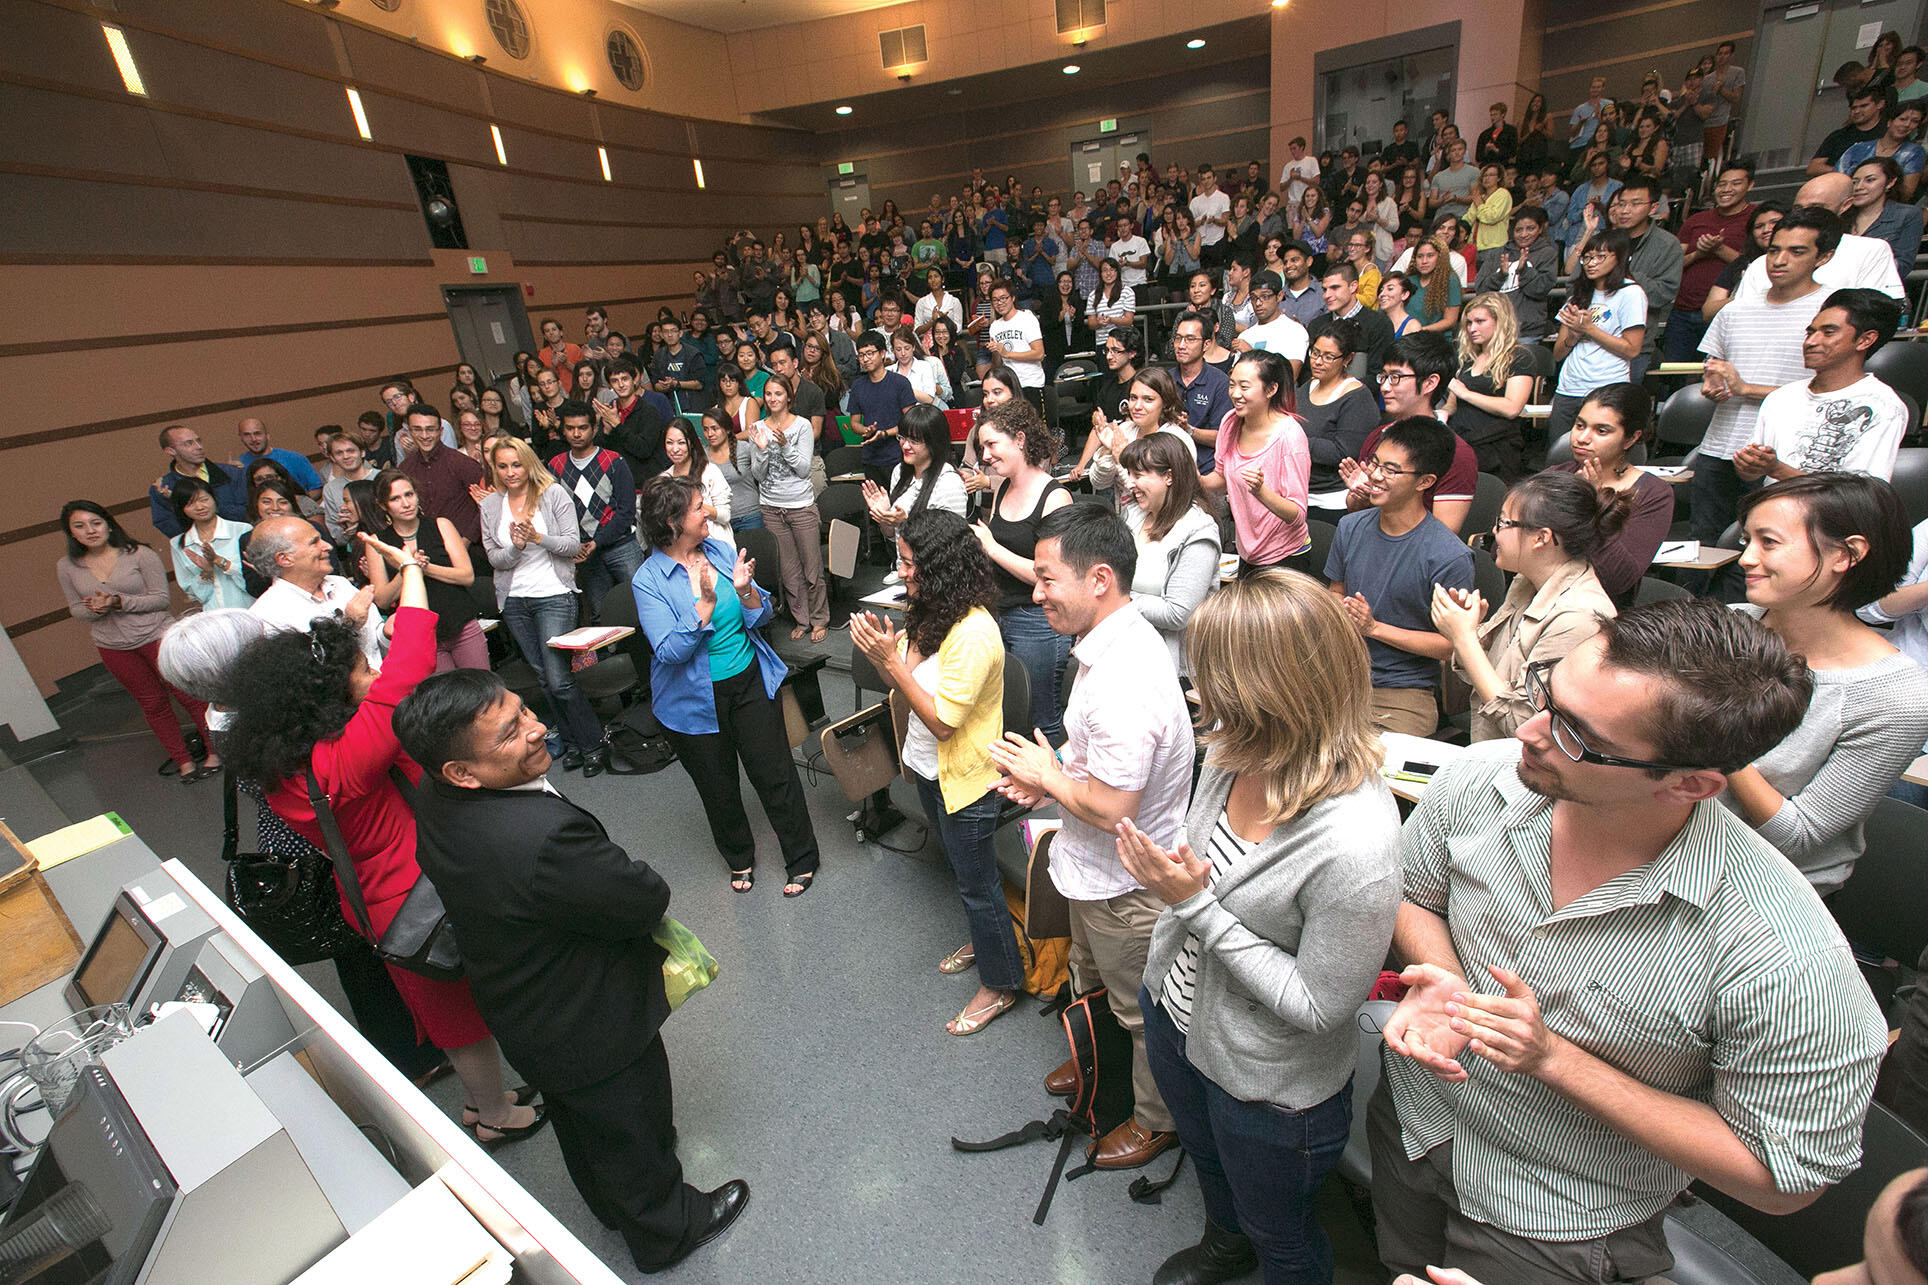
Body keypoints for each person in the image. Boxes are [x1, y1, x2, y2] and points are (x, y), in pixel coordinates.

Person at [1371, 598, 1886, 1285]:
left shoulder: (1784, 957)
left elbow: (1781, 1177)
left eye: (1577, 735)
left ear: (1689, 784)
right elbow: (1416, 894)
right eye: (1546, 693)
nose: (1528, 730)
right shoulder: (1480, 780)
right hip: (1418, 1118)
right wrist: (1447, 980)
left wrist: (1554, 1058)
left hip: (1552, 1211)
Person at [393, 670, 747, 1274]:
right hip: (589, 1015)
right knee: (635, 1125)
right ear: (462, 771)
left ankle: (613, 1207)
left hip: (520, 1004)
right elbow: (642, 898)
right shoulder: (541, 838)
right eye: (510, 733)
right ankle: (667, 1231)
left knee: (584, 1125)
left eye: (525, 711)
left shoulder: (434, 795)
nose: (536, 730)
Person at [225, 545, 547, 1151]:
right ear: (329, 697)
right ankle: (491, 1112)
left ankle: (490, 1100)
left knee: (450, 1008)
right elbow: (409, 658)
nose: (370, 674)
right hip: (420, 896)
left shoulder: (289, 762)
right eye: (358, 672)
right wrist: (413, 569)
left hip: (377, 903)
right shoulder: (346, 757)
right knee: (463, 1017)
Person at [1132, 570, 1401, 1285]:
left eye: (1211, 675)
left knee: (1282, 1233)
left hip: (1271, 1081)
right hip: (1179, 1019)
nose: (1195, 690)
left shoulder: (1356, 842)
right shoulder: (1229, 752)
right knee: (1213, 1170)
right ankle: (1225, 1242)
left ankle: (1253, 1246)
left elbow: (1320, 1006)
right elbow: (1200, 871)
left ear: (1271, 692)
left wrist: (1193, 905)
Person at [987, 505, 1191, 1171]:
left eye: (1048, 578)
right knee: (1092, 983)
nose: (1035, 590)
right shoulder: (1109, 648)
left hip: (1126, 885)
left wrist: (1049, 773)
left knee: (1138, 1012)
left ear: (1100, 578)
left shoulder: (1125, 679)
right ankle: (1098, 1069)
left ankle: (1155, 1120)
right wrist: (1050, 784)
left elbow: (1111, 806)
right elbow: (1094, 767)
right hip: (1093, 871)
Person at [847, 512, 1022, 1035]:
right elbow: (906, 679)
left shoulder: (974, 633)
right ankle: (988, 936)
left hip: (965, 776)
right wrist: (886, 653)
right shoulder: (930, 612)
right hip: (929, 768)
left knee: (977, 882)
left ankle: (1001, 983)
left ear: (941, 567)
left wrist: (892, 664)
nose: (900, 572)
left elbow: (945, 723)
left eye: (907, 563)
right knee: (964, 873)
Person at [1726, 474, 1928, 894]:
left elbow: (1799, 837)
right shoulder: (1728, 625)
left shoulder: (1895, 697)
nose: (1746, 558)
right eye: (1747, 540)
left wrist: (1711, 744)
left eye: (1769, 542)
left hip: (1763, 895)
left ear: (1846, 554)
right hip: (1658, 848)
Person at [633, 475, 821, 897]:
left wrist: (745, 592)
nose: (708, 512)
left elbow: (761, 613)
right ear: (672, 520)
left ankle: (802, 857)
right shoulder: (649, 580)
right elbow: (669, 652)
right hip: (690, 701)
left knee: (775, 773)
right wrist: (705, 605)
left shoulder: (718, 549)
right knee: (717, 787)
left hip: (749, 680)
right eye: (699, 507)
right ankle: (739, 858)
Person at [1693, 205, 1842, 551]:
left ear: (1824, 256)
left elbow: (1829, 391)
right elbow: (1713, 367)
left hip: (1784, 456)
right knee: (1705, 548)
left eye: (1797, 251)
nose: (1779, 260)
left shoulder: (1829, 312)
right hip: (1720, 445)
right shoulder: (1735, 308)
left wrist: (1746, 388)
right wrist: (1713, 384)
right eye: (1774, 250)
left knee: (1770, 550)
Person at [1433, 471, 1621, 742]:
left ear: (1541, 538)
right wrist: (1470, 631)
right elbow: (1484, 677)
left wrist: (1464, 639)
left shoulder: (1578, 617)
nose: (1495, 531)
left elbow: (1523, 726)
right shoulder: (1527, 584)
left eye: (1504, 522)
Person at [1326, 417, 1475, 736]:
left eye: (1391, 470)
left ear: (1425, 481)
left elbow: (1452, 646)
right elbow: (1336, 591)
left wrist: (1374, 628)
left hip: (1402, 696)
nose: (1375, 476)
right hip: (1341, 680)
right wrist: (1338, 609)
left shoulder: (1448, 555)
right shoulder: (1350, 527)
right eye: (1374, 463)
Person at [57, 501, 218, 781]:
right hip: (113, 646)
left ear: (108, 523)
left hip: (156, 636)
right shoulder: (66, 566)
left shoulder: (139, 554)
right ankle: (184, 761)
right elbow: (75, 609)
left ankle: (215, 751)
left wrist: (119, 602)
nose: (90, 531)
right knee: (152, 703)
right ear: (71, 533)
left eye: (95, 522)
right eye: (79, 526)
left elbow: (160, 599)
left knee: (187, 694)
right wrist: (94, 608)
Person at [480, 438, 610, 776]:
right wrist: (517, 547)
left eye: (516, 464)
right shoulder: (491, 506)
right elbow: (495, 557)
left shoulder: (552, 495)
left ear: (528, 464)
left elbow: (571, 545)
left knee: (559, 679)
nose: (510, 472)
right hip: (514, 600)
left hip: (553, 593)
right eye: (503, 466)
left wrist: (538, 538)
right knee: (542, 678)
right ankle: (571, 742)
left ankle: (593, 742)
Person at [972, 400, 1075, 744]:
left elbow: (1053, 577)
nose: (985, 456)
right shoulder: (1001, 486)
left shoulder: (1055, 497)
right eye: (982, 447)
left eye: (991, 445)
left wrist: (992, 549)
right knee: (1009, 714)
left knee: (1042, 720)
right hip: (999, 615)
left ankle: (1052, 794)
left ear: (1019, 438)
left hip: (1039, 622)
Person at [1744, 288, 1910, 489]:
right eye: (1810, 332)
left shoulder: (1884, 406)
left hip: (1834, 519)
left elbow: (1863, 493)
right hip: (1772, 510)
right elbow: (1750, 475)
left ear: (1865, 340)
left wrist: (1777, 469)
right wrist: (1749, 466)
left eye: (1828, 333)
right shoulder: (1781, 398)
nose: (1811, 342)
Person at [1542, 384, 1674, 608]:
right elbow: (1502, 549)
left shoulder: (1654, 493)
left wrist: (1594, 504)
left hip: (1603, 613)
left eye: (1601, 431)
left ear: (1631, 438)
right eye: (1580, 425)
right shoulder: (1554, 476)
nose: (1582, 438)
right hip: (1541, 599)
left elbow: (1618, 579)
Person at [1344, 334, 1481, 535]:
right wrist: (1361, 497)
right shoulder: (1378, 437)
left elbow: (1443, 538)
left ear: (1429, 383)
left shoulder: (1456, 453)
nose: (1385, 387)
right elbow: (1353, 510)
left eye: (1396, 378)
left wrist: (1388, 500)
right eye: (1383, 376)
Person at [1118, 432, 1220, 677]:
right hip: (1125, 654)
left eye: (1139, 475)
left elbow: (1177, 613)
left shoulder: (1198, 531)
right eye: (1129, 474)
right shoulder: (1133, 516)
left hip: (1173, 669)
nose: (1130, 483)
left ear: (1169, 477)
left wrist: (1117, 600)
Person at [1200, 351, 1311, 577]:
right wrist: (1195, 478)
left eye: (1244, 386)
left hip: (1286, 554)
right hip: (1248, 551)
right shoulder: (1230, 422)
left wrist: (1261, 492)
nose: (1235, 394)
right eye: (1232, 385)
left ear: (1271, 390)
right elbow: (1222, 477)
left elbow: (1297, 514)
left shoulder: (1290, 436)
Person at [362, 469, 485, 673]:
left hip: (461, 624)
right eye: (395, 498)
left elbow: (467, 576)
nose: (406, 503)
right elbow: (382, 600)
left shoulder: (441, 525)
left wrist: (426, 568)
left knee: (485, 689)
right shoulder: (378, 543)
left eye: (409, 494)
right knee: (448, 700)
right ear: (383, 505)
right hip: (422, 635)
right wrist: (407, 567)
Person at [745, 374, 829, 643]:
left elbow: (804, 469)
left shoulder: (802, 426)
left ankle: (819, 620)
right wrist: (762, 449)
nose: (772, 399)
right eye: (768, 394)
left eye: (778, 394)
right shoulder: (757, 427)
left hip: (801, 506)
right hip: (771, 507)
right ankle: (801, 620)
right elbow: (758, 475)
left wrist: (784, 446)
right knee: (789, 572)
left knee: (812, 569)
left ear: (788, 397)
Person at [247, 514, 386, 664]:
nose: (328, 546)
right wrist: (349, 625)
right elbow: (314, 673)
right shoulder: (268, 617)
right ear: (285, 559)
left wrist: (388, 632)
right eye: (314, 542)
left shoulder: (341, 584)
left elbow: (377, 641)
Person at [1549, 228, 1647, 441]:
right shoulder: (1578, 295)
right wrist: (1573, 337)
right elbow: (1557, 354)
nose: (1592, 263)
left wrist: (1589, 329)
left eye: (1600, 256)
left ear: (1620, 257)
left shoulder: (1630, 293)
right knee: (1559, 455)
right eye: (1587, 257)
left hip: (1606, 389)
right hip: (1569, 387)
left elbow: (1632, 349)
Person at [548, 399, 643, 617]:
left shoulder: (614, 461)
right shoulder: (555, 466)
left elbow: (626, 512)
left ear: (594, 428)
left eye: (582, 428)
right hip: (584, 553)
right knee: (602, 615)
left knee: (643, 603)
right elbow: (553, 513)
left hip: (621, 546)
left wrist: (597, 542)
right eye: (570, 428)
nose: (576, 434)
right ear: (563, 430)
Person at [1668, 161, 1757, 359]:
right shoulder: (1696, 219)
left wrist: (1719, 249)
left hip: (1726, 313)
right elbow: (1675, 263)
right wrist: (1699, 253)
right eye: (1722, 184)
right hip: (1683, 310)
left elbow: (1757, 264)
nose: (1727, 189)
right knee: (1671, 374)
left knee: (1713, 375)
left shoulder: (1757, 219)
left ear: (1750, 185)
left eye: (1735, 183)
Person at [1446, 292, 1534, 481]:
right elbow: (1452, 403)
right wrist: (1442, 414)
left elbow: (1512, 408)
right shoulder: (1467, 357)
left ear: (1499, 321)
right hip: (1461, 442)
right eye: (1469, 323)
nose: (1472, 328)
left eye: (1480, 321)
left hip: (1496, 447)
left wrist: (1467, 394)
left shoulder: (1519, 357)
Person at [861, 403, 967, 556]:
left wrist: (906, 523)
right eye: (902, 437)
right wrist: (884, 517)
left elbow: (952, 544)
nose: (905, 446)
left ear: (934, 442)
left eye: (915, 440)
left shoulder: (949, 482)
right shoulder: (899, 472)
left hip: (938, 573)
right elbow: (892, 536)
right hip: (905, 569)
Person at [1298, 319, 1380, 495]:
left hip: (1330, 494)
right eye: (1315, 353)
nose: (1318, 361)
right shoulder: (1307, 386)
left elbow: (1344, 452)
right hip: (1298, 487)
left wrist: (1296, 440)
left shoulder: (1357, 397)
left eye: (1328, 356)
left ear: (1347, 359)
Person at [397, 402, 484, 547]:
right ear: (410, 432)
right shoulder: (406, 468)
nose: (425, 436)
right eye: (417, 429)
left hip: (468, 547)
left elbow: (487, 505)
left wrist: (467, 539)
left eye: (430, 429)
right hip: (427, 548)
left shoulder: (463, 464)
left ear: (441, 431)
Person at [1474, 206, 1559, 342]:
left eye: (1530, 228)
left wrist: (1524, 271)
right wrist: (1500, 275)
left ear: (1540, 229)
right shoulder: (1497, 254)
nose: (1524, 234)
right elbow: (1480, 291)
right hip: (1495, 330)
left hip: (1527, 332)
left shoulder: (1547, 253)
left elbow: (1539, 290)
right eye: (1519, 230)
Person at [149, 424, 249, 539]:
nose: (198, 447)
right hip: (198, 547)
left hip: (239, 539)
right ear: (170, 450)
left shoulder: (232, 473)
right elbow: (168, 526)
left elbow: (249, 511)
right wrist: (175, 501)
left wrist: (211, 507)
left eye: (198, 441)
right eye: (189, 443)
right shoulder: (164, 487)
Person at [168, 477, 253, 610]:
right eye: (190, 503)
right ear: (182, 509)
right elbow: (196, 595)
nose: (200, 507)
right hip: (214, 618)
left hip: (249, 611)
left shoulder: (242, 530)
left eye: (204, 500)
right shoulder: (179, 543)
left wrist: (220, 561)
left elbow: (256, 581)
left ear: (215, 498)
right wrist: (206, 572)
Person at [846, 329, 916, 489]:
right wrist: (866, 430)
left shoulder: (900, 383)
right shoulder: (857, 386)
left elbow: (911, 423)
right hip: (870, 457)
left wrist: (885, 433)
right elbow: (854, 424)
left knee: (901, 504)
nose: (865, 359)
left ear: (883, 353)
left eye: (870, 353)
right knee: (876, 508)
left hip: (899, 455)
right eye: (861, 355)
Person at [1171, 310, 1236, 476]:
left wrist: (1188, 429)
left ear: (1206, 345)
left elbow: (1224, 437)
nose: (1181, 345)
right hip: (1169, 468)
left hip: (1207, 470)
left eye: (1190, 339)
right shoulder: (1166, 379)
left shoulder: (1219, 382)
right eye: (1178, 338)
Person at [1847, 156, 1925, 280]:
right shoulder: (1842, 213)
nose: (1858, 187)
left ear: (1890, 182)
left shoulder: (1907, 214)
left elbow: (1903, 265)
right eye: (1854, 182)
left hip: (1877, 291)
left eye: (1870, 180)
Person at [1840, 100, 1928, 202]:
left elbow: (1906, 193)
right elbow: (1837, 179)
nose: (1907, 124)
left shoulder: (1914, 152)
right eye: (1902, 119)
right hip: (1846, 203)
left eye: (1915, 121)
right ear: (1889, 121)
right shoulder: (1859, 148)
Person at [661, 418, 731, 543]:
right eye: (670, 443)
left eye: (681, 443)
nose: (675, 449)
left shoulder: (709, 471)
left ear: (691, 443)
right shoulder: (664, 479)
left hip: (715, 544)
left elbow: (725, 516)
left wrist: (693, 506)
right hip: (682, 548)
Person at [1812, 84, 1889, 177]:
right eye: (1853, 108)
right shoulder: (1839, 136)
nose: (1857, 111)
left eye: (1863, 106)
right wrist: (1844, 170)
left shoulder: (1889, 133)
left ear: (1880, 104)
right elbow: (1813, 168)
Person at [235, 417, 322, 494]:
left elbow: (316, 488)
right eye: (247, 435)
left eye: (257, 433)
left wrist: (298, 506)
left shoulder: (294, 458)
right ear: (241, 438)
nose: (253, 439)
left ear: (267, 435)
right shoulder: (239, 466)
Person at [1407, 240, 1464, 334]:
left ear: (1440, 258)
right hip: (1407, 338)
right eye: (1420, 256)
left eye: (1430, 256)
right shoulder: (1409, 280)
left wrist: (1420, 330)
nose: (1424, 261)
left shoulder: (1450, 280)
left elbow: (1450, 320)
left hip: (1436, 340)